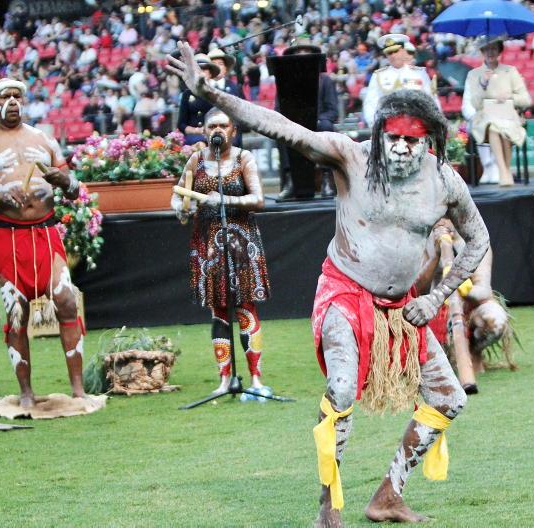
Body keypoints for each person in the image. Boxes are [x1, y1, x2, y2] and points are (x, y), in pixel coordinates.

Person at [166, 41, 489, 526]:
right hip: (344, 293)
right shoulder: (350, 157)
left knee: (449, 399)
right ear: (379, 131)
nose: (402, 147)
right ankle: (328, 505)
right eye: (393, 137)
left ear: (430, 141)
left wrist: (438, 296)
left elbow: (479, 239)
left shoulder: (443, 181)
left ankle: (388, 496)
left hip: (404, 309)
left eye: (413, 140)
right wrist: (210, 92)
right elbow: (279, 125)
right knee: (341, 391)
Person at [0, 78, 86, 408]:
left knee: (66, 301)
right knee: (17, 311)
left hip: (45, 232)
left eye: (17, 96)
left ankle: (78, 390)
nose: (13, 101)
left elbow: (74, 190)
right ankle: (26, 392)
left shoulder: (44, 138)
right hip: (6, 236)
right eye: (5, 97)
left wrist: (64, 180)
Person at [170, 107, 272, 399]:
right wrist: (182, 209)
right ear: (204, 131)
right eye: (211, 126)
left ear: (233, 131)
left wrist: (225, 199)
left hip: (242, 245)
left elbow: (259, 199)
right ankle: (224, 380)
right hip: (208, 247)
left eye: (223, 126)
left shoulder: (243, 158)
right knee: (218, 312)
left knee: (246, 309)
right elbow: (178, 195)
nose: (217, 130)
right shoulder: (195, 160)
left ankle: (255, 379)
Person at [417, 219, 516, 394]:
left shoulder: (476, 240)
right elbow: (416, 289)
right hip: (434, 310)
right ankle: (443, 357)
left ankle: (472, 351)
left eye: (448, 215)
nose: (443, 221)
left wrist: (464, 288)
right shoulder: (421, 241)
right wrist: (435, 257)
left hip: (470, 309)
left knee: (496, 319)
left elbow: (484, 290)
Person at [462, 36, 532, 187]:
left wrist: (510, 97)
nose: (490, 52)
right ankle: (504, 171)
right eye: (486, 49)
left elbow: (526, 100)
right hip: (484, 117)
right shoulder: (474, 74)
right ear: (482, 52)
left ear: (499, 51)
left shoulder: (510, 71)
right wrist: (483, 84)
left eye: (493, 48)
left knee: (502, 127)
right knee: (494, 127)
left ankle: (505, 171)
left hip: (508, 115)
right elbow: (475, 104)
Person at [280, 37, 340, 199]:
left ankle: (327, 178)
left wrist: (316, 119)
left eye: (306, 52)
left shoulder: (325, 80)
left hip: (318, 123)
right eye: (298, 53)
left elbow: (332, 111)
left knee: (327, 126)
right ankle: (289, 179)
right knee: (280, 132)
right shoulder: (285, 81)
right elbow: (278, 110)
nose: (302, 56)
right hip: (293, 124)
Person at [362, 33, 439, 127]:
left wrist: (435, 123)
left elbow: (431, 99)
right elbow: (371, 103)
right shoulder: (379, 76)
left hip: (417, 124)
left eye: (396, 51)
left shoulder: (419, 73)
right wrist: (374, 125)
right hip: (389, 126)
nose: (393, 55)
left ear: (403, 50)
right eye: (389, 53)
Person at [177, 54, 221, 146]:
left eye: (204, 69)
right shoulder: (187, 94)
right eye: (198, 70)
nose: (200, 73)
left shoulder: (217, 93)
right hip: (193, 136)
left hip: (214, 135)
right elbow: (181, 124)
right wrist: (196, 130)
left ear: (210, 74)